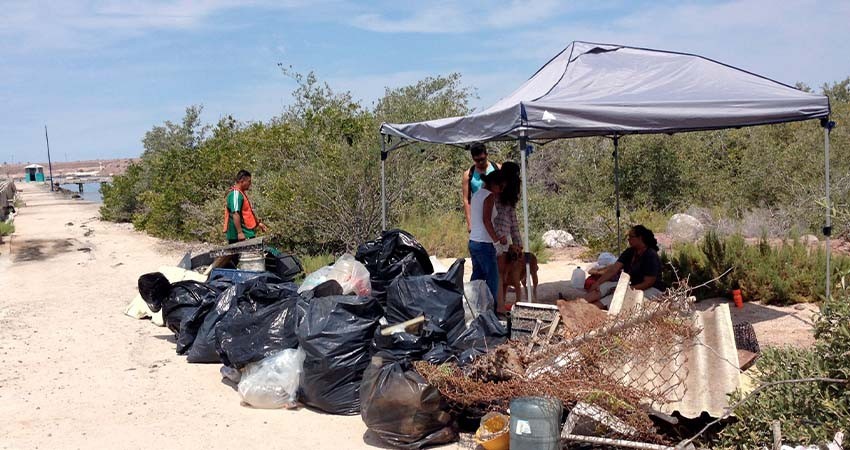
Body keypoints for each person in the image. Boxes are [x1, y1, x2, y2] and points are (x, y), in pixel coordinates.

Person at [584, 225, 665, 309]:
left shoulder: (650, 255)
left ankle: (591, 309)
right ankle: (580, 303)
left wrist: (625, 289)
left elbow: (648, 282)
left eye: (631, 237)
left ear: (640, 238)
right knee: (605, 286)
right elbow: (613, 269)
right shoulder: (630, 252)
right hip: (632, 285)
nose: (628, 239)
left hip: (650, 289)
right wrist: (598, 283)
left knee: (616, 298)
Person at [468, 169, 507, 306]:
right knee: (492, 279)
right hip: (484, 243)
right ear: (494, 184)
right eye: (501, 187)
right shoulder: (489, 196)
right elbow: (486, 220)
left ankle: (471, 306)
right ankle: (492, 311)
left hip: (474, 241)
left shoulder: (477, 194)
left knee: (476, 278)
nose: (501, 191)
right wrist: (496, 241)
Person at [494, 161, 522, 312]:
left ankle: (498, 305)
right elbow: (509, 219)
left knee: (499, 274)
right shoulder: (500, 190)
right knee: (499, 274)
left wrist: (517, 241)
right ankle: (499, 306)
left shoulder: (502, 191)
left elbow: (511, 217)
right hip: (498, 237)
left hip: (498, 237)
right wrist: (517, 241)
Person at [462, 143, 499, 234]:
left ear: (486, 155)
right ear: (473, 158)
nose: (480, 162)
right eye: (477, 160)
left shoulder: (497, 168)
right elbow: (466, 200)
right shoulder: (468, 174)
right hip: (478, 215)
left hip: (496, 213)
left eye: (482, 159)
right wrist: (469, 223)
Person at [223, 169, 268, 244]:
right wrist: (240, 233)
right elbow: (235, 214)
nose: (250, 184)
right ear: (242, 181)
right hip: (238, 234)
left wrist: (258, 224)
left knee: (237, 254)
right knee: (237, 254)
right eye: (249, 181)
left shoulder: (241, 193)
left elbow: (246, 212)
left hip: (246, 232)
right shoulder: (235, 194)